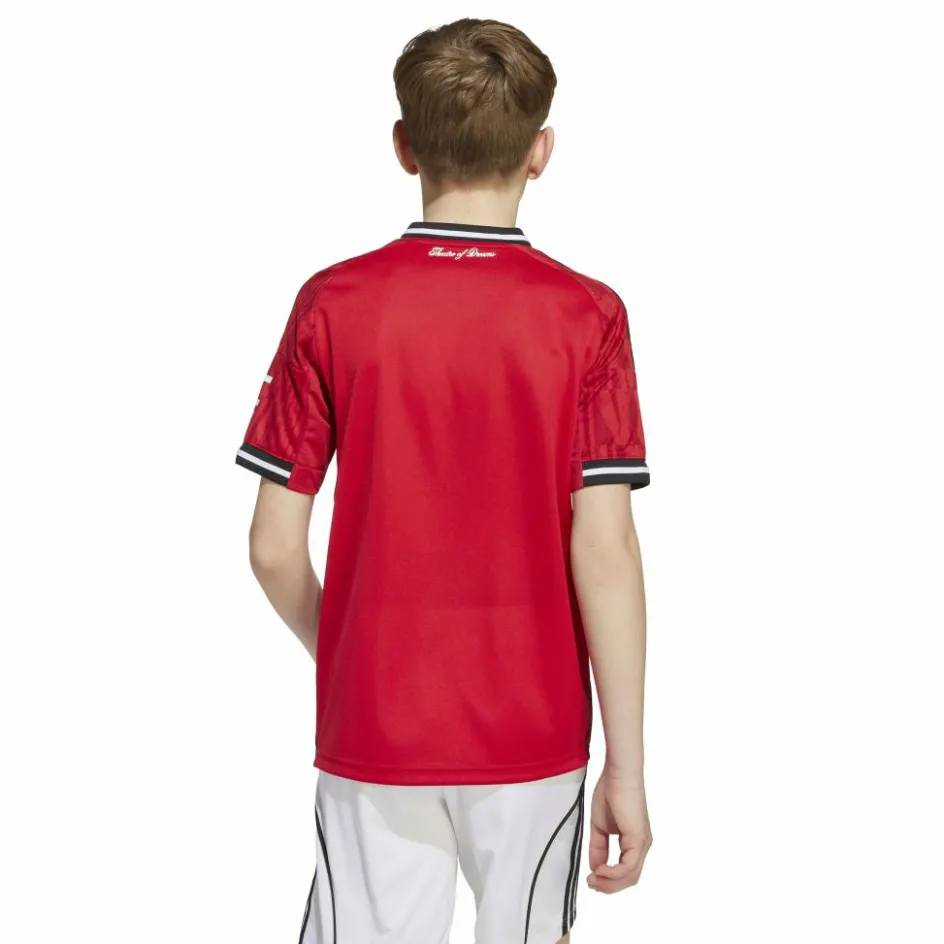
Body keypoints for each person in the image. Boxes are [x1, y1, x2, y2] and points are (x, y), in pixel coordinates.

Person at [236, 18, 651, 944]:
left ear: (403, 145)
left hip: (376, 723)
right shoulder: (587, 317)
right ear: (541, 151)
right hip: (534, 732)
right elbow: (607, 551)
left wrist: (351, 660)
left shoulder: (333, 304)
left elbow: (272, 548)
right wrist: (625, 765)